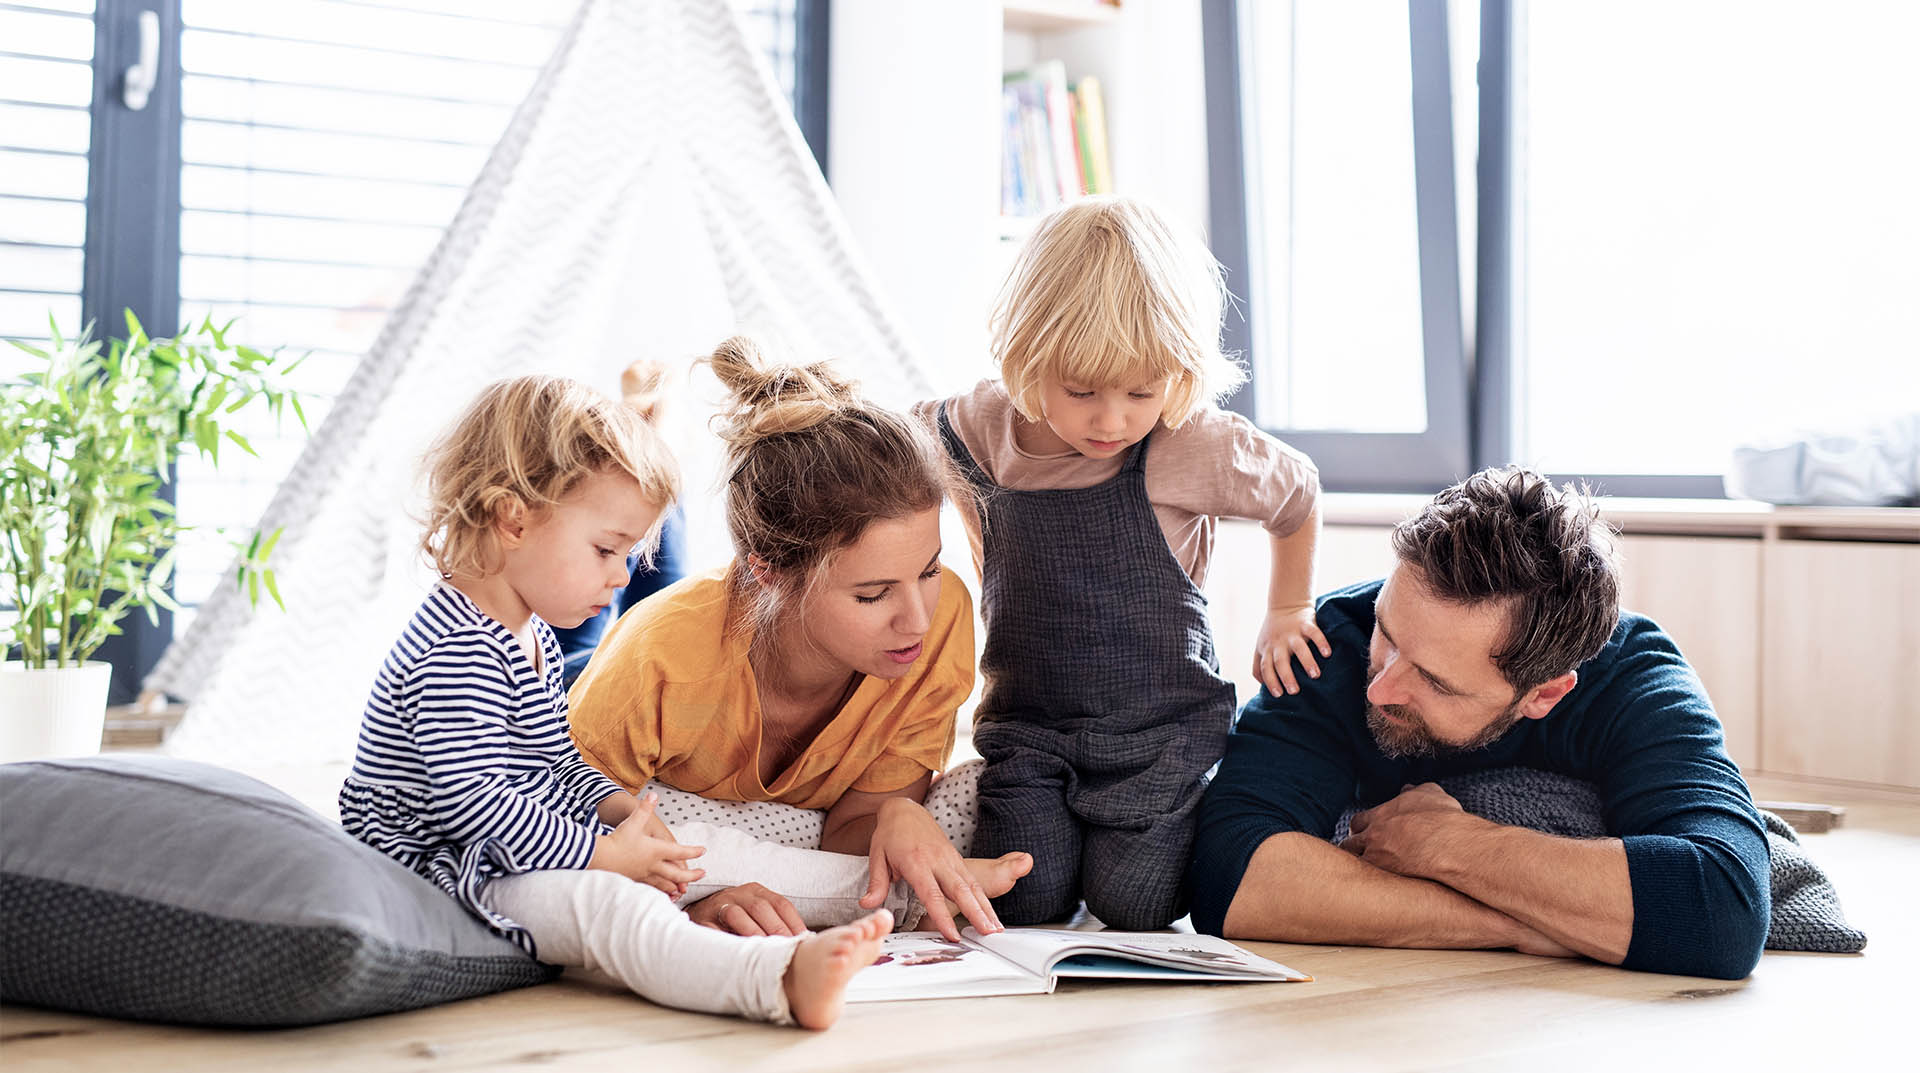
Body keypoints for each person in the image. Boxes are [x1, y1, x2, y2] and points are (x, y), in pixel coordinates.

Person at [337, 374, 890, 1029]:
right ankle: (773, 979)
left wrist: (622, 808)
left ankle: (900, 895)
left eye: (628, 553)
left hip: (514, 847)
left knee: (694, 845)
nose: (623, 574)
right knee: (612, 906)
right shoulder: (457, 648)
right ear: (511, 519)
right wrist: (602, 856)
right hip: (454, 875)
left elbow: (555, 761)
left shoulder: (529, 632)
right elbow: (474, 803)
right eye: (607, 549)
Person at [911, 195, 1325, 930]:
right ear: (1027, 358)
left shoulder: (1189, 443)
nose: (1112, 421)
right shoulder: (977, 427)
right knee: (1026, 902)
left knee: (1137, 902)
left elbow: (1297, 493)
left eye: (1141, 390)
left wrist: (1287, 607)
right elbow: (884, 448)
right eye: (1081, 392)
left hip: (1158, 738)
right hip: (1030, 730)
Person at [1189, 467, 1771, 980]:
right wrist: (1523, 925)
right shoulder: (1331, 642)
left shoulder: (1636, 678)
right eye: (1387, 635)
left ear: (1544, 694)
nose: (1380, 686)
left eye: (1436, 681)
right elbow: (1227, 875)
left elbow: (1726, 909)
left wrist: (1447, 845)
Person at [568, 336, 1033, 942]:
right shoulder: (660, 656)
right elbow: (562, 832)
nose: (917, 620)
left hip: (728, 629)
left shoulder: (939, 623)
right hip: (601, 673)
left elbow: (845, 839)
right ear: (767, 568)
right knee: (596, 598)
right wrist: (684, 909)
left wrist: (897, 814)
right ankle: (642, 432)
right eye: (873, 594)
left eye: (927, 571)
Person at [550, 359, 685, 687]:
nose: (623, 577)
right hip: (571, 679)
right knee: (662, 638)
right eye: (606, 551)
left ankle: (645, 453)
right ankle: (646, 453)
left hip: (564, 668)